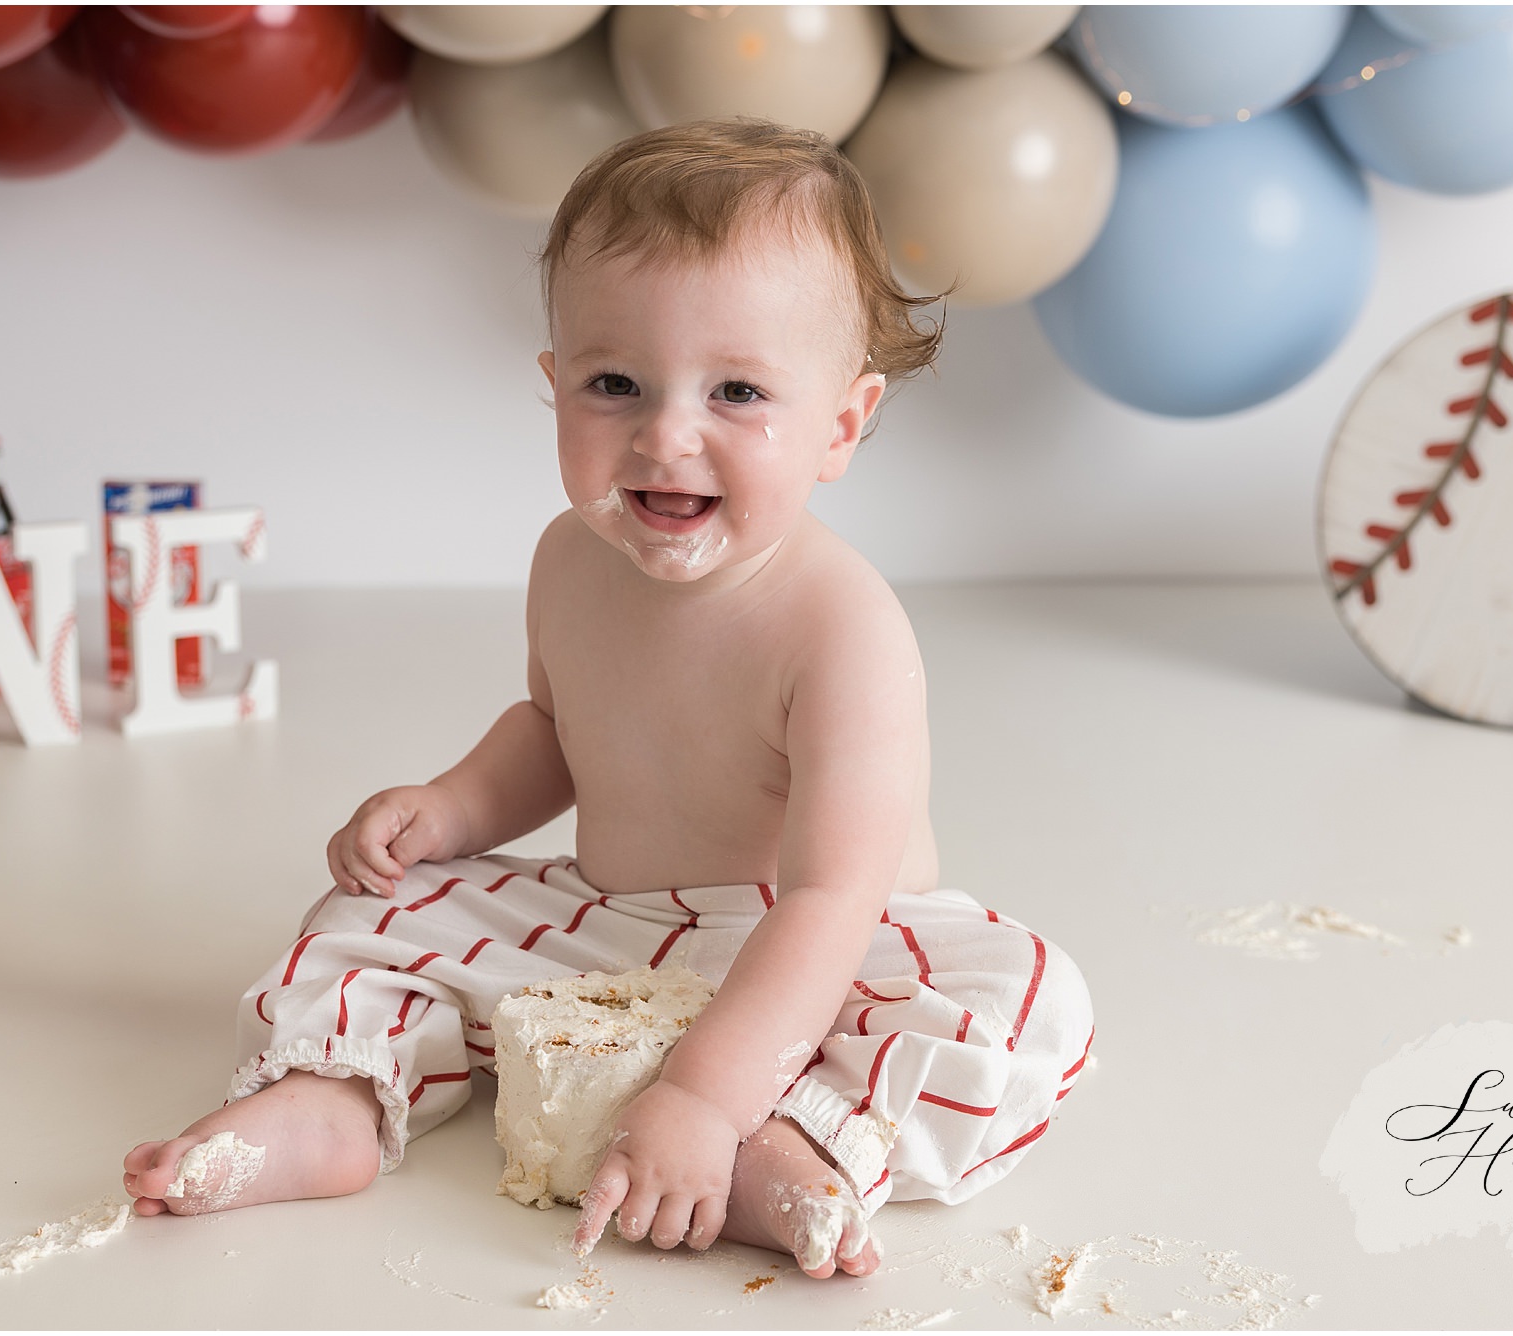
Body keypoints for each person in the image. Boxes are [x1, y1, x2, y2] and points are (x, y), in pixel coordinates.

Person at [121, 117, 1093, 1279]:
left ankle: (793, 1143)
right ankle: (333, 1101)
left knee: (1023, 999)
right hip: (608, 923)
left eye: (736, 391)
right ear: (555, 386)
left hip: (808, 949)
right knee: (364, 914)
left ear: (839, 424)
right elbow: (555, 731)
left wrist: (702, 1093)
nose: (664, 434)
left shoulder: (843, 630)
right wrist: (451, 807)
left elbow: (834, 896)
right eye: (614, 383)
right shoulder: (568, 558)